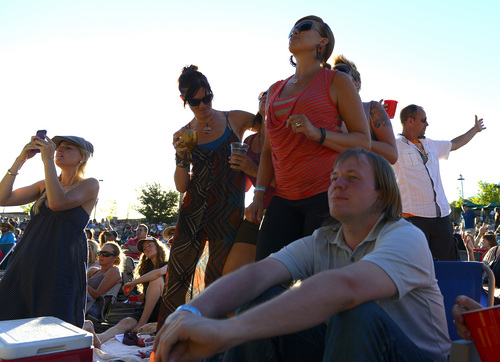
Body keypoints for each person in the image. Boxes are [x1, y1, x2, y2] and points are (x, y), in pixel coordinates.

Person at [153, 148, 451, 362]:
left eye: (352, 177)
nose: (337, 184)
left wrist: (226, 331)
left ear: (382, 195)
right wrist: (187, 313)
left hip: (414, 355)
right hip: (346, 349)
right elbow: (256, 274)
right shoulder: (323, 240)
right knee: (263, 298)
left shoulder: (405, 236)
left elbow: (347, 289)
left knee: (356, 312)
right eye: (334, 177)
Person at [246, 16, 370, 261]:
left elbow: (363, 141)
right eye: (293, 28)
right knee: (267, 278)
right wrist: (258, 195)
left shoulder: (337, 81)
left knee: (321, 284)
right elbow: (270, 151)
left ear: (322, 42)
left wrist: (318, 134)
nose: (294, 31)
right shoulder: (274, 90)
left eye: (303, 27)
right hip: (283, 199)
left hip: (326, 197)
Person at [158, 65, 254, 325]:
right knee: (177, 277)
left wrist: (255, 167)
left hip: (228, 209)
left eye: (207, 98)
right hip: (193, 210)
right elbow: (181, 186)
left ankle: (216, 339)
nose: (203, 106)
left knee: (219, 275)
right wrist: (179, 157)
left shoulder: (235, 119)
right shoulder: (184, 134)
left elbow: (271, 128)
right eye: (195, 101)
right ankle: (171, 336)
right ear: (184, 101)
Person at [0, 134, 98, 327]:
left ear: (82, 157)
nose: (60, 149)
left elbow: (57, 203)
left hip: (59, 262)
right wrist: (20, 160)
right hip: (27, 258)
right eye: (58, 146)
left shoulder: (90, 183)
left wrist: (47, 161)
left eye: (68, 147)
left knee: (51, 320)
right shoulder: (44, 185)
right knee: (11, 313)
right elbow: (3, 198)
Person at [392, 104, 486, 261]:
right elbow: (370, 143)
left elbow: (454, 144)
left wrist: (475, 129)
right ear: (410, 121)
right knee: (416, 267)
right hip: (413, 219)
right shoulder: (394, 146)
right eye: (423, 120)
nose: (427, 124)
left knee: (449, 266)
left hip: (442, 217)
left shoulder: (431, 144)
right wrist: (374, 120)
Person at [225, 90, 277, 274]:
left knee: (267, 275)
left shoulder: (282, 137)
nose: (264, 97)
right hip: (256, 212)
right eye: (262, 95)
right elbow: (247, 185)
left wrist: (253, 169)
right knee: (231, 275)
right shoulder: (249, 140)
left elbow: (290, 182)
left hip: (282, 210)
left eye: (270, 94)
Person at [88, 237, 168, 348]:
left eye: (150, 245)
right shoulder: (146, 269)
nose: (147, 248)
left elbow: (159, 272)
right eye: (144, 248)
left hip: (163, 308)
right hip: (146, 308)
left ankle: (142, 323)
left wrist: (132, 283)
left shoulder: (169, 263)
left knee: (156, 280)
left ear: (159, 246)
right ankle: (99, 339)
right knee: (125, 322)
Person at [332, 54, 398, 164]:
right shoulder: (322, 111)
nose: (335, 74)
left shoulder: (371, 109)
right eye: (331, 71)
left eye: (342, 70)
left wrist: (352, 139)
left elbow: (392, 155)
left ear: (356, 84)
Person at [86, 241, 124, 320]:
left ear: (115, 257)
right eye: (100, 253)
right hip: (83, 302)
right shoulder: (93, 270)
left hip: (94, 309)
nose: (101, 256)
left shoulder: (114, 270)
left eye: (105, 254)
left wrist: (82, 283)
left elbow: (97, 295)